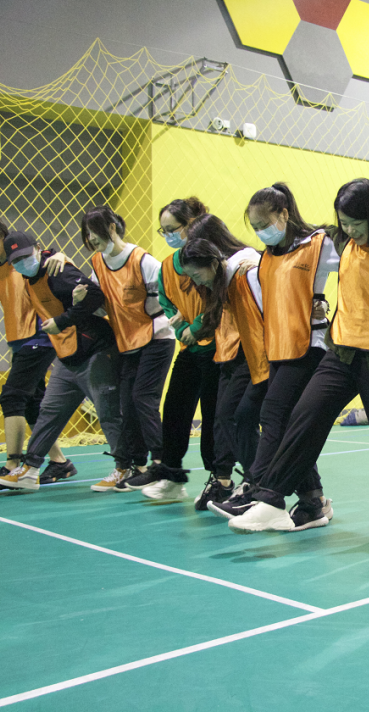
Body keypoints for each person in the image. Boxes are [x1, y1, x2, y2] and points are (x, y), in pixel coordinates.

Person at [228, 178, 369, 533]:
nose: (350, 230)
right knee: (304, 417)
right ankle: (271, 500)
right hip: (341, 351)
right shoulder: (342, 241)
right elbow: (305, 238)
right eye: (344, 223)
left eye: (356, 223)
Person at [206, 184, 338, 529]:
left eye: (265, 224)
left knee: (273, 414)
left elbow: (357, 267)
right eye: (254, 227)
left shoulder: (319, 245)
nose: (260, 232)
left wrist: (331, 310)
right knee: (291, 422)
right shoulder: (267, 256)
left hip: (310, 346)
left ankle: (261, 492)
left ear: (284, 214)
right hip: (279, 348)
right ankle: (312, 501)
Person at [0, 230, 126, 491]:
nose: (22, 262)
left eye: (26, 256)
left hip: (95, 350)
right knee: (49, 411)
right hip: (67, 355)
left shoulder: (58, 271)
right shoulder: (30, 277)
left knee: (108, 413)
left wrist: (62, 321)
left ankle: (125, 467)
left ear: (37, 249)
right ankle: (29, 469)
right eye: (15, 260)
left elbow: (95, 296)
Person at [0, 214, 75, 489]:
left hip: (41, 337)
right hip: (19, 342)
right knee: (33, 402)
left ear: (1, 235)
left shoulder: (28, 261)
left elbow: (52, 262)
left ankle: (13, 465)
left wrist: (61, 255)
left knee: (12, 396)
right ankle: (60, 463)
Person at [79, 205, 181, 497]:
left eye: (94, 232)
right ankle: (133, 466)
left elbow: (167, 300)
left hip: (157, 338)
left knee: (143, 399)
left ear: (111, 228)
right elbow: (102, 307)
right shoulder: (97, 264)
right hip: (128, 342)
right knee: (127, 403)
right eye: (86, 233)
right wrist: (83, 300)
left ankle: (163, 466)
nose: (90, 238)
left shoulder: (143, 261)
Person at [154, 197, 236, 505]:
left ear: (191, 224)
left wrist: (197, 326)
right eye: (163, 231)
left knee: (214, 416)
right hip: (189, 347)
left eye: (172, 229)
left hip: (218, 348)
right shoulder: (167, 267)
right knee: (175, 409)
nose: (168, 236)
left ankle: (220, 478)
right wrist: (182, 331)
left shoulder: (216, 261)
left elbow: (218, 301)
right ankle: (171, 475)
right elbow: (166, 303)